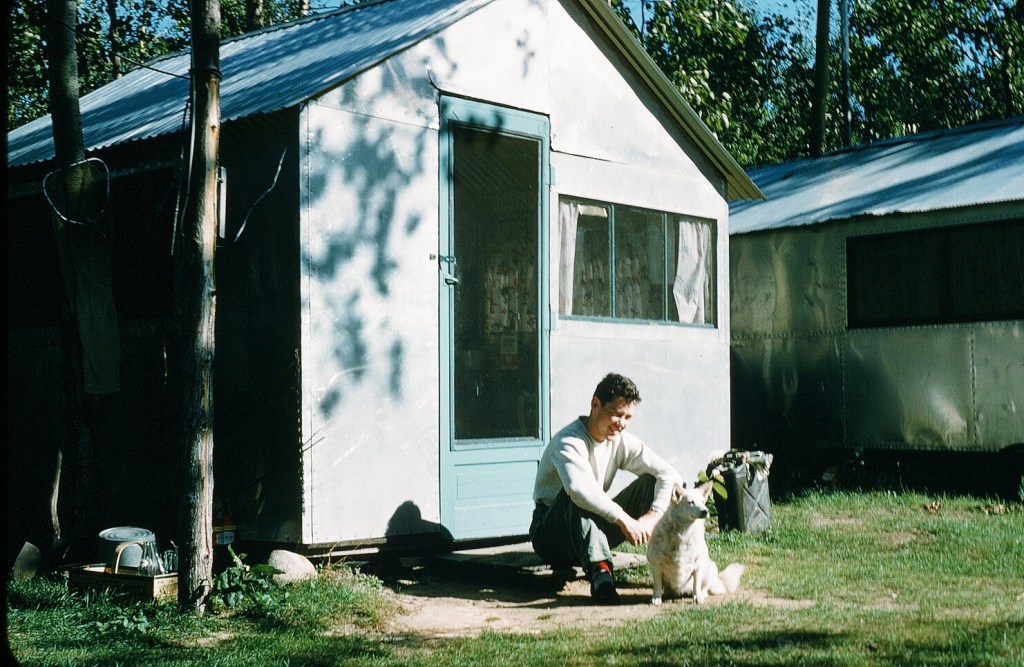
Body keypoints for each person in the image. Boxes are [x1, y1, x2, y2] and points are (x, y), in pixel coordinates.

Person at [530, 372, 681, 603]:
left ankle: (669, 561)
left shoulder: (619, 441)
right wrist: (625, 520)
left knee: (651, 481)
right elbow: (579, 491)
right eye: (616, 414)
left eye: (628, 417)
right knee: (579, 494)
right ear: (595, 404)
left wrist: (652, 517)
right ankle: (601, 574)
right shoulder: (569, 441)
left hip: (590, 528)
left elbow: (669, 473)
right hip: (551, 535)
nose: (622, 423)